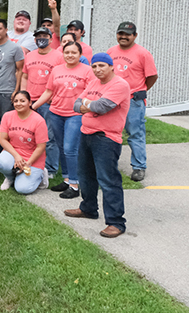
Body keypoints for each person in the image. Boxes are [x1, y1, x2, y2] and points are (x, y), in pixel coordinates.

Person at [64, 53, 130, 238]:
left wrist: (88, 104)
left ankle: (116, 222)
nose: (97, 70)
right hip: (86, 134)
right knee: (85, 176)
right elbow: (75, 105)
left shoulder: (120, 85)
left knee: (108, 180)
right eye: (94, 66)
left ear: (111, 66)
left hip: (106, 139)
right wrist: (90, 104)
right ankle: (88, 208)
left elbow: (102, 107)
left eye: (102, 65)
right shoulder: (93, 82)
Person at [32, 41, 91, 198]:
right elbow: (48, 91)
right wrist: (34, 106)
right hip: (56, 112)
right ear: (63, 54)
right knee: (61, 146)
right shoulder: (56, 69)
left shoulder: (87, 71)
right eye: (67, 52)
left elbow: (91, 92)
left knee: (70, 148)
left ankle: (74, 184)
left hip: (75, 114)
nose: (70, 55)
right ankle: (66, 179)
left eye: (74, 52)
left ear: (80, 55)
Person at [107, 21, 158, 182]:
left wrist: (139, 90)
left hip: (133, 101)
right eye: (120, 33)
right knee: (110, 133)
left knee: (135, 134)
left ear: (134, 36)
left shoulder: (143, 53)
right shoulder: (111, 52)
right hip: (113, 100)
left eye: (127, 34)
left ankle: (139, 167)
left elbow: (152, 76)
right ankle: (108, 164)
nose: (123, 37)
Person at [0, 91, 49, 194]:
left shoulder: (39, 121)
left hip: (32, 157)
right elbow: (2, 139)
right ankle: (10, 177)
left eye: (22, 101)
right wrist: (16, 156)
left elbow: (41, 147)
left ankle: (41, 175)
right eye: (16, 101)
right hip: (13, 153)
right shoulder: (7, 116)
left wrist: (28, 163)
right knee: (1, 163)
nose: (18, 103)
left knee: (22, 189)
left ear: (30, 102)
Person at [22, 27, 59, 125]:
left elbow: (60, 79)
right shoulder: (29, 55)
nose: (41, 39)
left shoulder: (59, 56)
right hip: (30, 100)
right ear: (34, 40)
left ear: (51, 39)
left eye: (44, 36)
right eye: (38, 36)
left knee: (48, 133)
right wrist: (23, 95)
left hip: (47, 102)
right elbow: (24, 77)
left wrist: (54, 96)